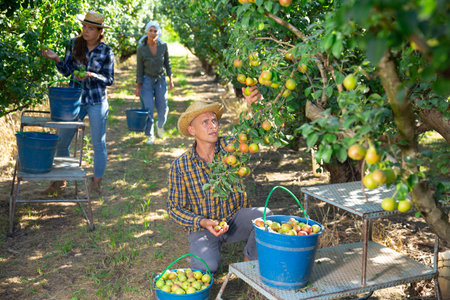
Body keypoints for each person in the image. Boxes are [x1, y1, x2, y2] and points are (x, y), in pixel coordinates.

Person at [167, 100, 271, 273]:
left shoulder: (229, 148)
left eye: (214, 120)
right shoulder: (181, 166)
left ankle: (249, 266)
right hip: (203, 227)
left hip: (233, 219)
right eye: (205, 122)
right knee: (206, 267)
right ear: (192, 130)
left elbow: (253, 133)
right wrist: (202, 222)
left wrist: (254, 106)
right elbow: (174, 208)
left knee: (265, 217)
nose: (212, 126)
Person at [41, 11, 114, 195]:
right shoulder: (74, 44)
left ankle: (96, 183)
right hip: (74, 100)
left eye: (90, 28)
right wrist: (56, 59)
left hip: (97, 100)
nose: (86, 31)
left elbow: (109, 79)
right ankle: (60, 180)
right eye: (84, 27)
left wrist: (92, 75)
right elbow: (66, 71)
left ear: (99, 31)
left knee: (98, 143)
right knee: (62, 141)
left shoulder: (106, 51)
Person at [135, 21, 174, 145]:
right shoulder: (141, 49)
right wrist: (138, 87)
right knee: (148, 108)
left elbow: (167, 63)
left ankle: (160, 125)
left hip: (160, 79)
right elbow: (139, 69)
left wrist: (171, 79)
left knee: (162, 107)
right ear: (147, 31)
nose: (153, 33)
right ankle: (150, 134)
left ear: (158, 32)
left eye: (155, 31)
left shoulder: (163, 45)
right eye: (150, 30)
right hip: (146, 80)